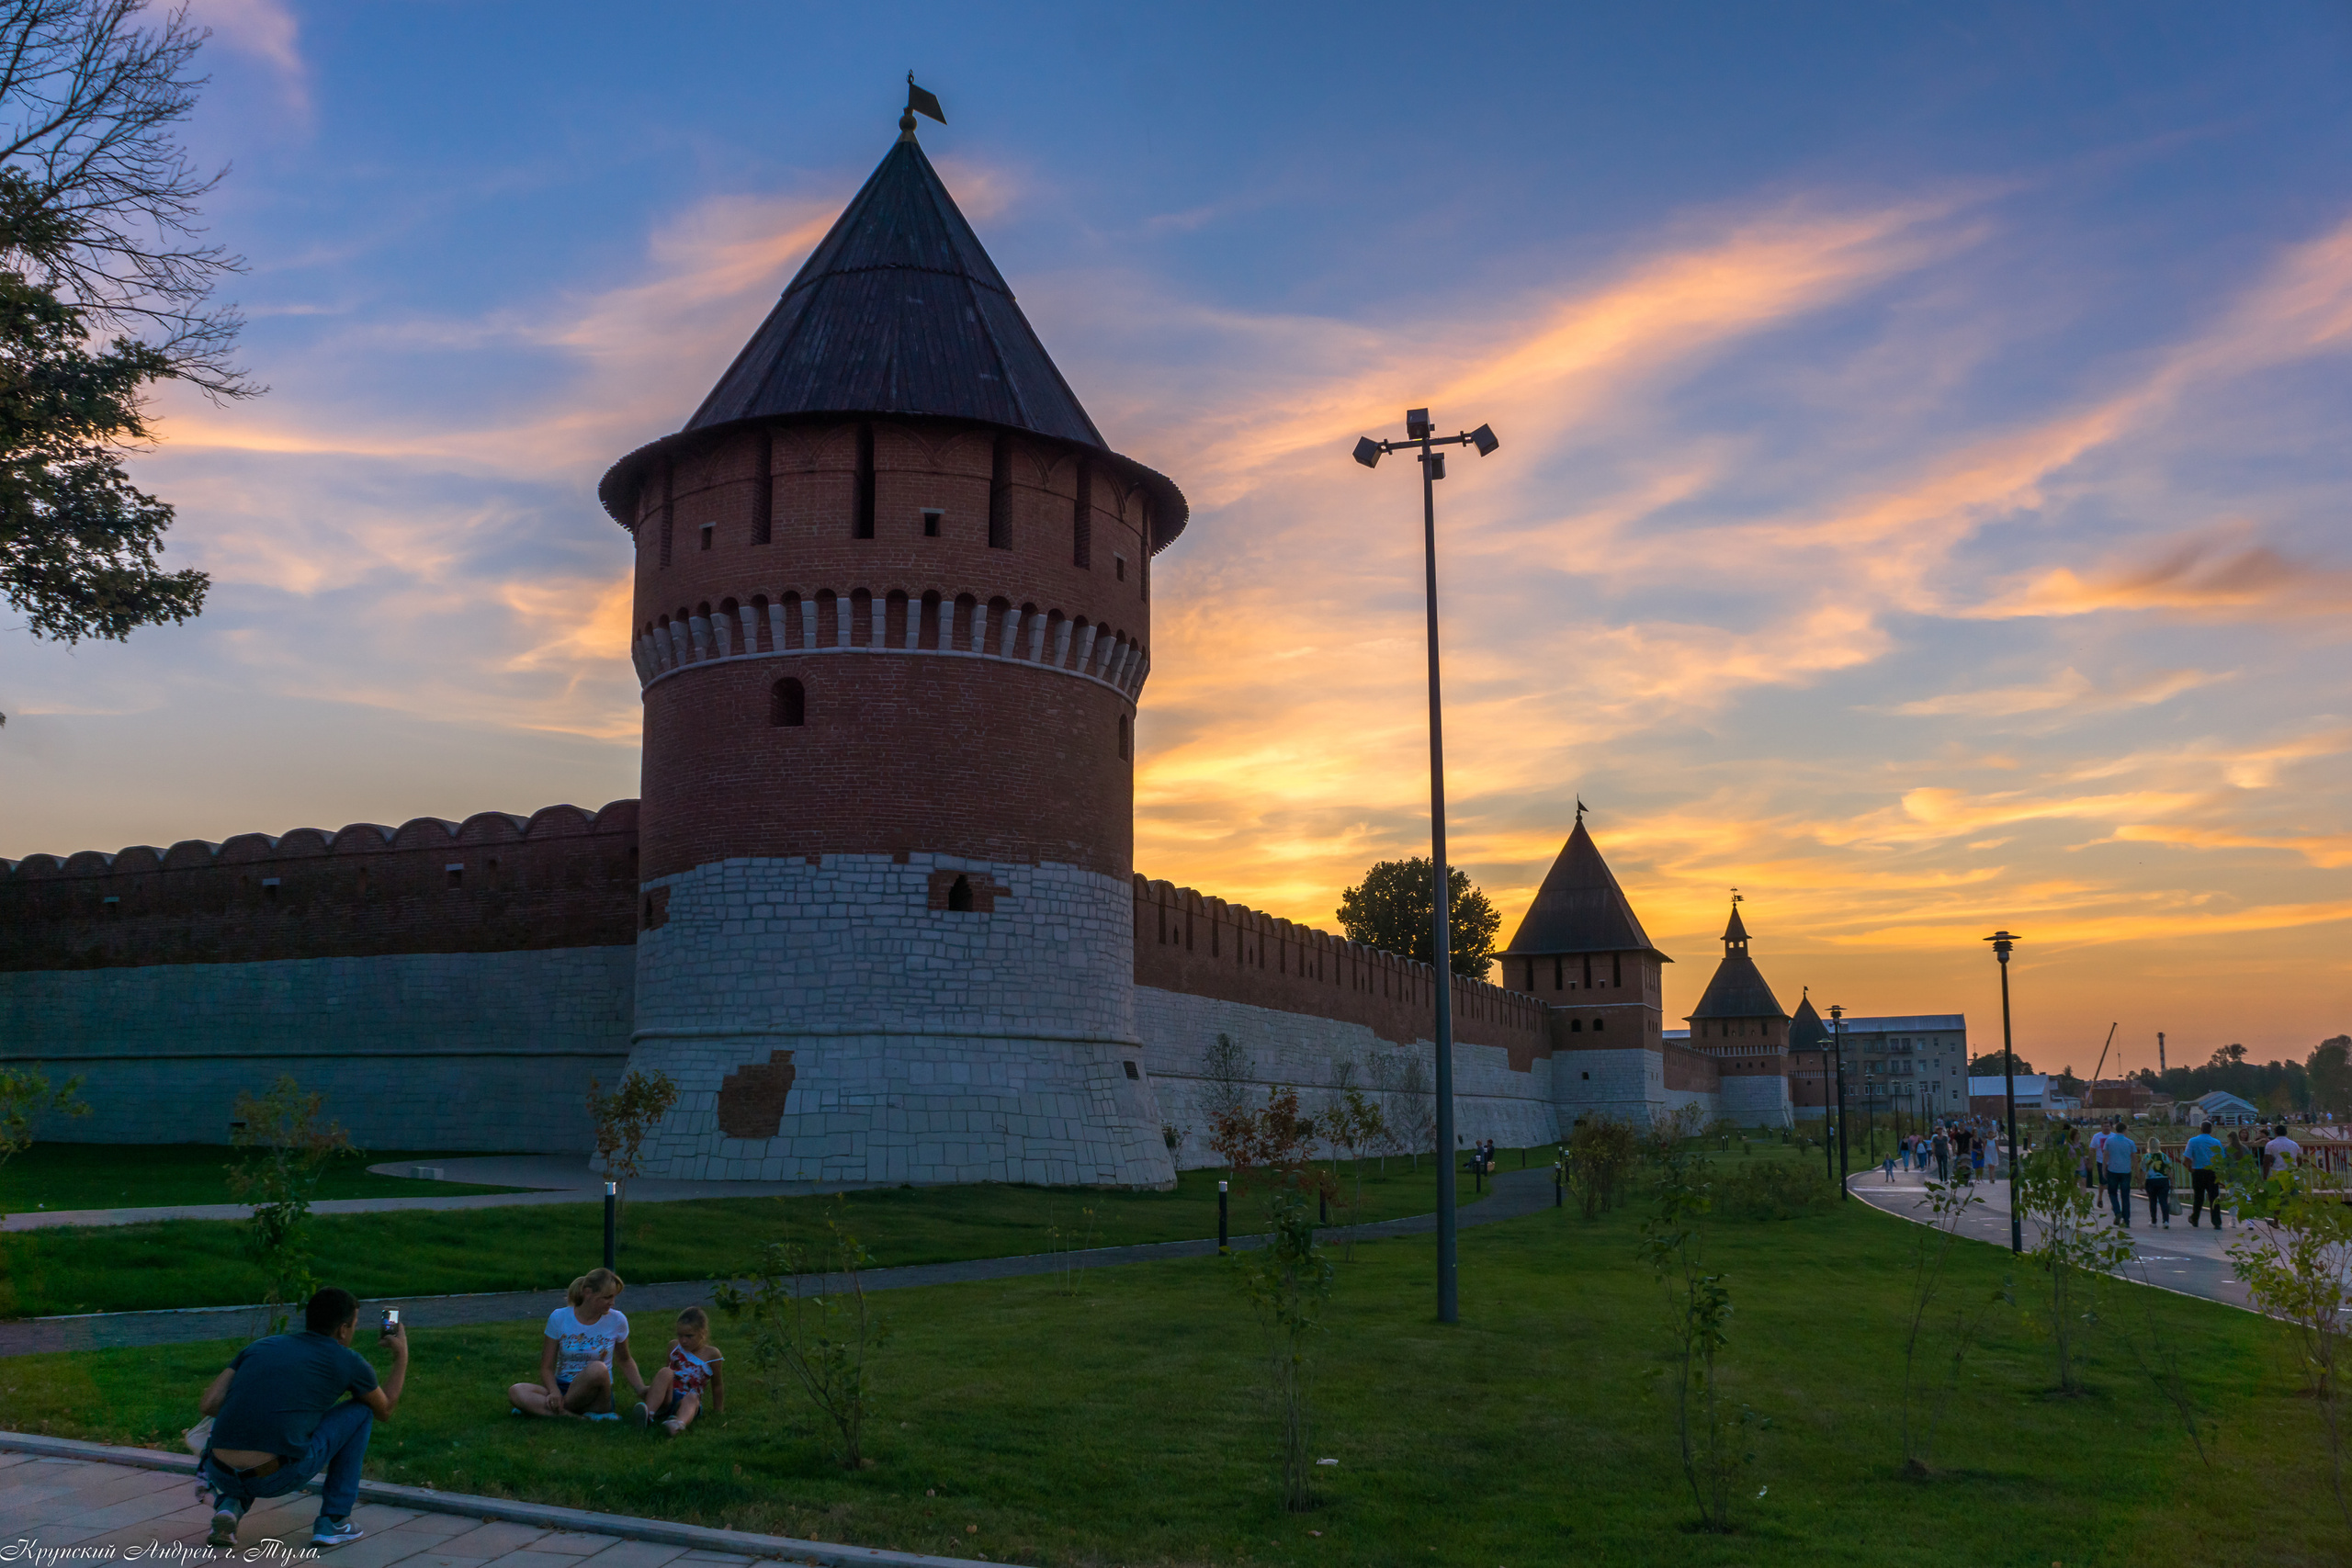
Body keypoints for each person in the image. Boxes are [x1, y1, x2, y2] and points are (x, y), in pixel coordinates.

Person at [196, 1285, 407, 1551]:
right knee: (362, 1411)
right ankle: (334, 1520)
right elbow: (384, 1410)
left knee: (260, 1433)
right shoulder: (348, 1360)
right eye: (354, 1325)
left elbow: (209, 1403)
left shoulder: (261, 1346)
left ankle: (230, 1504)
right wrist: (401, 1355)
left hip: (220, 1471)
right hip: (273, 1475)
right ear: (343, 1329)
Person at [510, 1268, 643, 1419]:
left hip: (597, 1394)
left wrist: (641, 1389)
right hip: (563, 1387)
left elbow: (625, 1359)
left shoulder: (617, 1320)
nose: (612, 1303)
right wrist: (554, 1392)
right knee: (516, 1390)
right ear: (588, 1293)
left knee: (598, 1369)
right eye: (607, 1297)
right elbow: (546, 1367)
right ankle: (575, 1417)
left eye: (613, 1297)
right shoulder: (559, 1317)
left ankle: (542, 1408)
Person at [634, 1305, 726, 1436]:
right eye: (680, 1335)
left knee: (692, 1397)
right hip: (669, 1396)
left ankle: (677, 1424)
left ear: (703, 1333)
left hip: (688, 1402)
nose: (683, 1340)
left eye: (689, 1336)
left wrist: (718, 1410)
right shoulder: (673, 1346)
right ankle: (648, 1414)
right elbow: (667, 1376)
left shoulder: (712, 1355)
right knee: (665, 1372)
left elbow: (717, 1386)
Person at [2183, 1121, 2224, 1228]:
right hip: (2212, 1172)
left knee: (2198, 1197)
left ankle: (2195, 1218)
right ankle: (2216, 1222)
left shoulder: (2192, 1141)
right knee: (2214, 1198)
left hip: (2198, 1171)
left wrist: (2189, 1168)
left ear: (2200, 1129)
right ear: (2210, 1130)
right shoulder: (2216, 1142)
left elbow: (2187, 1157)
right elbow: (2221, 1158)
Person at [2102, 1118, 2137, 1227]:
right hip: (2126, 1171)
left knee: (2112, 1193)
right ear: (2125, 1130)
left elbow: (2105, 1156)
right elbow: (2134, 1158)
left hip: (2113, 1170)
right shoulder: (2130, 1142)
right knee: (2125, 1196)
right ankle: (2126, 1220)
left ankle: (2117, 1212)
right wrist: (2136, 1171)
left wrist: (2104, 1169)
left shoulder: (2109, 1141)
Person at [2143, 1140, 2174, 1228]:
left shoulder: (2146, 1157)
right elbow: (2169, 1170)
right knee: (2164, 1201)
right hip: (2163, 1180)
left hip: (2151, 1180)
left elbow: (2143, 1170)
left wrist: (2141, 1182)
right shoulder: (2164, 1156)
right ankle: (2166, 1221)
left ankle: (2153, 1221)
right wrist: (2172, 1181)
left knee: (2152, 1201)